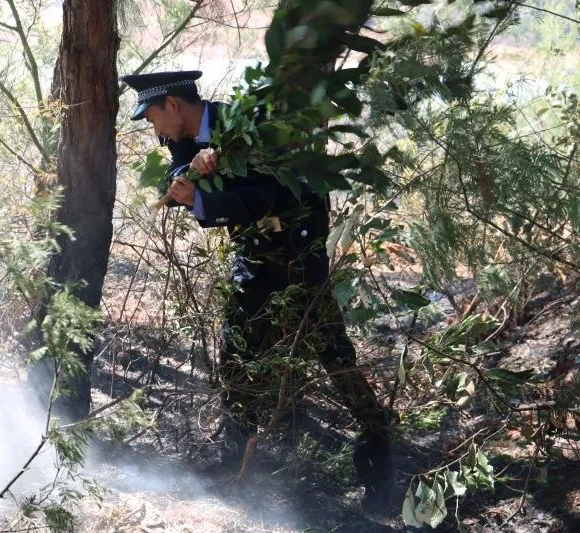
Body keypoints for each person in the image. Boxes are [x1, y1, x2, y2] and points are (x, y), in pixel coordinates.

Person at [121, 70, 395, 512]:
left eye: (153, 117)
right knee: (237, 359)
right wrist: (188, 173)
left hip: (296, 253)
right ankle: (237, 471)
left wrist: (202, 199)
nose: (154, 130)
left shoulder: (247, 127)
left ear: (173, 105)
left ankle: (379, 470)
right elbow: (174, 175)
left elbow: (268, 194)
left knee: (335, 359)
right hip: (252, 258)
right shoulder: (183, 138)